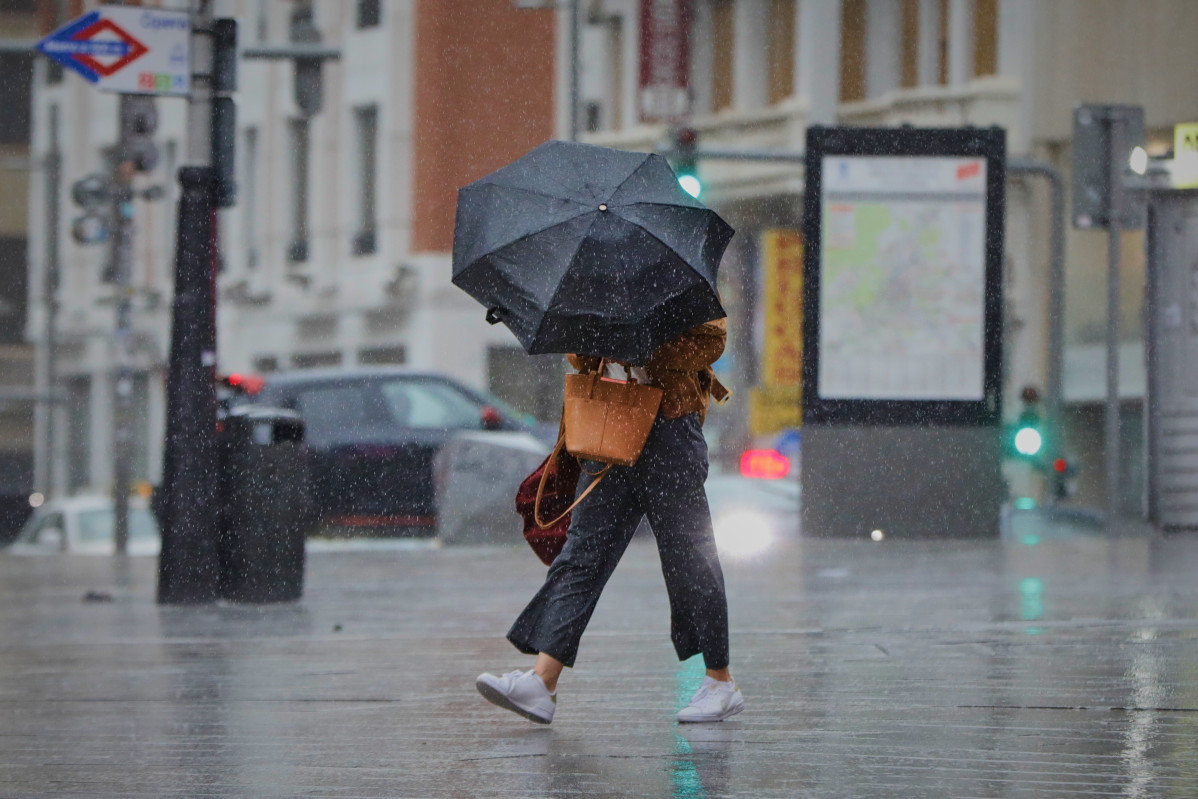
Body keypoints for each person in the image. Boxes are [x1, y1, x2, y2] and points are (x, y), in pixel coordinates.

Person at [476, 317, 742, 724]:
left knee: (689, 558)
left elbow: (710, 342)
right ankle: (542, 683)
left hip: (669, 429)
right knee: (583, 553)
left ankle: (720, 680)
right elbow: (578, 354)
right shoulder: (599, 277)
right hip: (610, 423)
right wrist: (594, 339)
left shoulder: (679, 276)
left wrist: (642, 347)